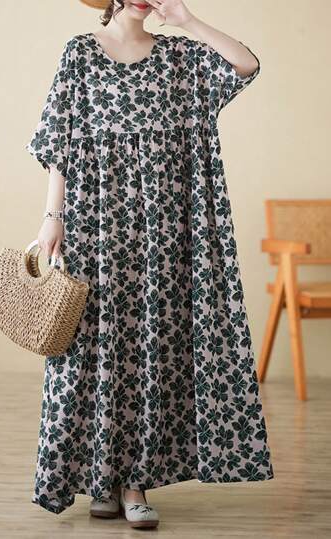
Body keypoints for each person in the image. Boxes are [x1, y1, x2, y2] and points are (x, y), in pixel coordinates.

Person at [25, 0, 274, 529]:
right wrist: (52, 217)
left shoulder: (180, 57)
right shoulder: (80, 54)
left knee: (150, 347)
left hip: (165, 229)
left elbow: (246, 65)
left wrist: (187, 20)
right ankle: (102, 477)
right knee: (94, 345)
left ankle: (134, 482)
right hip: (96, 220)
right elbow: (59, 142)